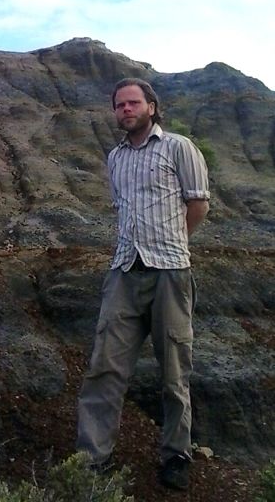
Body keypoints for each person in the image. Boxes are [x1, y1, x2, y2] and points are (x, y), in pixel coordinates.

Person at [76, 77, 210, 491]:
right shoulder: (115, 158)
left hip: (170, 271)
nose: (126, 110)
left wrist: (172, 244)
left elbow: (198, 204)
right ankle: (91, 459)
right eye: (119, 105)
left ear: (152, 106)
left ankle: (175, 455)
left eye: (134, 103)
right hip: (124, 270)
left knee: (173, 370)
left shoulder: (178, 148)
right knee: (104, 367)